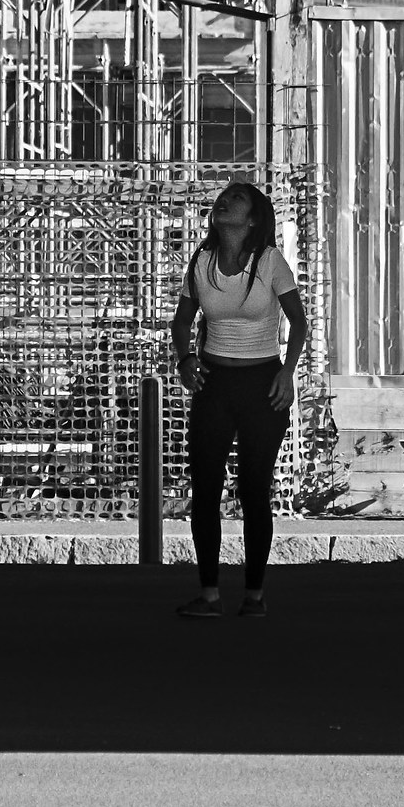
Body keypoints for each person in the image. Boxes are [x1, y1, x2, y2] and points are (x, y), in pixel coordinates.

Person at [168, 181, 308, 619]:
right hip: (214, 384)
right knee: (205, 488)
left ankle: (254, 595)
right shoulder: (202, 261)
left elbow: (299, 323)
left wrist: (287, 372)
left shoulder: (269, 261)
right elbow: (180, 322)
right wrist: (186, 358)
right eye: (223, 196)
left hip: (262, 384)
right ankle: (209, 595)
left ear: (251, 220)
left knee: (252, 489)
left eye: (237, 198)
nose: (224, 200)